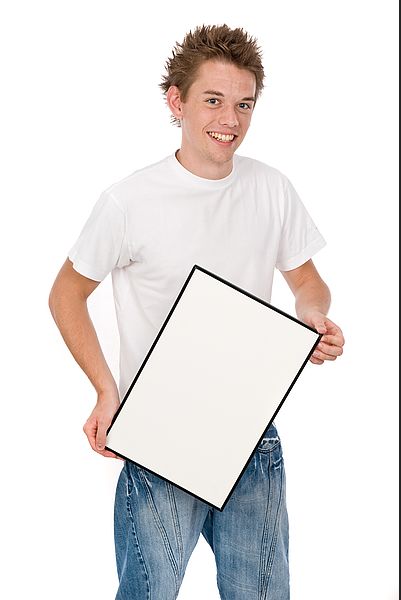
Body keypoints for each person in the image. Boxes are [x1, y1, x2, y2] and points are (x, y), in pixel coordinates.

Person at [48, 24, 344, 600]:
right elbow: (65, 295)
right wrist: (107, 391)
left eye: (243, 105)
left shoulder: (271, 188)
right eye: (213, 101)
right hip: (160, 438)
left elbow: (309, 283)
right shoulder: (129, 201)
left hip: (252, 435)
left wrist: (311, 318)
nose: (229, 121)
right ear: (176, 101)